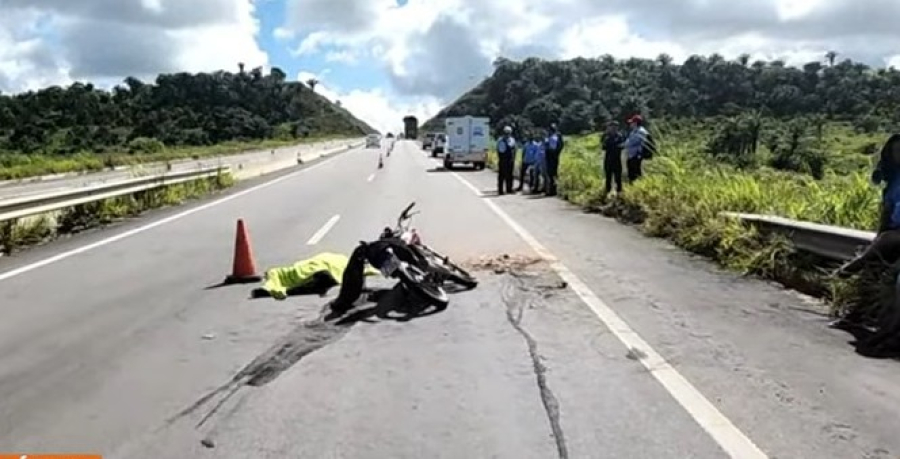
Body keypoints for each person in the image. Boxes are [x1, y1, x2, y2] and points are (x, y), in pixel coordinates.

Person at [623, 115, 649, 182]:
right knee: (631, 174)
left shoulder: (640, 131)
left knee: (636, 174)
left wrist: (625, 144)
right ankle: (633, 186)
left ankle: (638, 187)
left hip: (637, 156)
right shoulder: (634, 131)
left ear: (635, 123)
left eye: (632, 122)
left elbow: (631, 142)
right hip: (632, 156)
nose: (630, 124)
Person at [601, 121, 625, 195]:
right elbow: (603, 147)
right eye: (611, 127)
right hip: (608, 159)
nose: (613, 128)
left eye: (615, 127)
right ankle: (607, 191)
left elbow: (622, 146)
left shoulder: (620, 136)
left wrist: (614, 146)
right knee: (608, 177)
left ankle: (619, 192)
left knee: (618, 177)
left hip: (617, 159)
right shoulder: (605, 136)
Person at [544, 123, 564, 196]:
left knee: (554, 173)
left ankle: (554, 190)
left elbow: (561, 145)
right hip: (549, 155)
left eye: (552, 129)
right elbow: (545, 145)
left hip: (554, 156)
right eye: (550, 129)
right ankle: (549, 190)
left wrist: (557, 152)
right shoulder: (547, 136)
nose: (551, 130)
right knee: (549, 173)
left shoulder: (558, 135)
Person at [496, 125, 516, 195]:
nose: (507, 134)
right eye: (506, 132)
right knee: (502, 175)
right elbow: (499, 150)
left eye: (509, 132)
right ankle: (500, 190)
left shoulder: (512, 140)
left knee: (510, 175)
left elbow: (514, 149)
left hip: (510, 160)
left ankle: (509, 189)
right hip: (503, 159)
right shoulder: (500, 140)